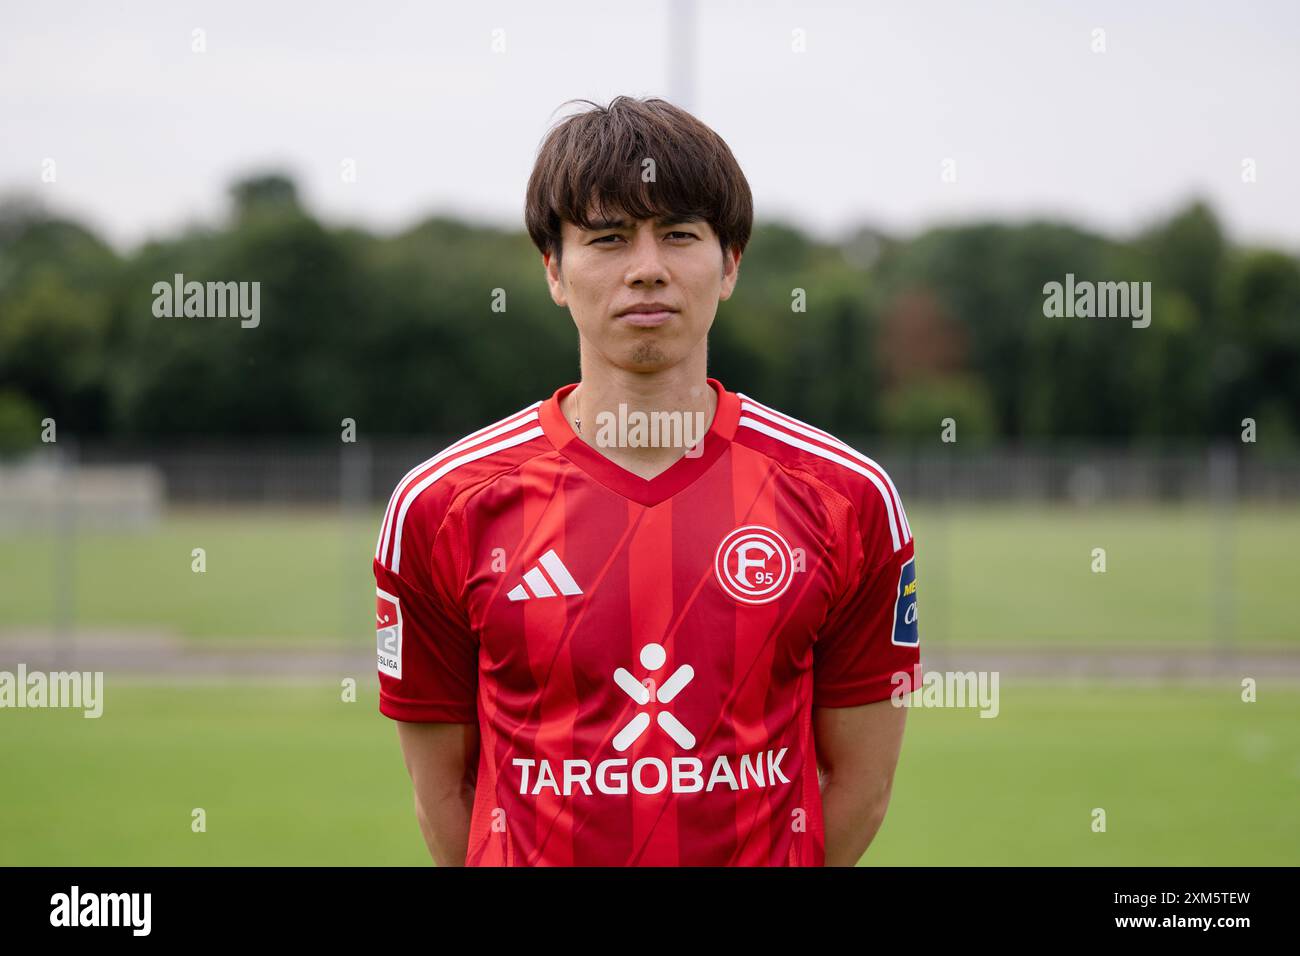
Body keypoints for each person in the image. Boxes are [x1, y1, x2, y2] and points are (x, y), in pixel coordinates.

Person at [373, 96, 920, 866]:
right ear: (554, 272)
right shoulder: (440, 506)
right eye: (608, 238)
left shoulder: (849, 498)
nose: (648, 268)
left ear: (730, 263)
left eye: (680, 234)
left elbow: (859, 783)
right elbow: (445, 796)